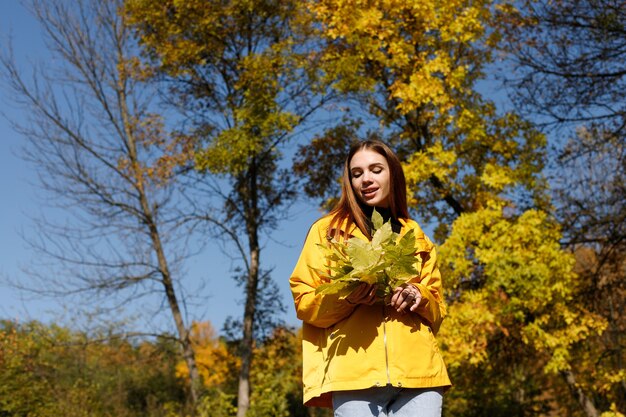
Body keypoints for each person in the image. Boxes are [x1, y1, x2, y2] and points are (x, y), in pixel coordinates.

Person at [289, 140, 451, 417]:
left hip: (420, 375)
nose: (366, 179)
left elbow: (437, 310)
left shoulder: (415, 234)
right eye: (357, 173)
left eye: (376, 169)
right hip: (353, 377)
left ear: (393, 174)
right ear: (349, 182)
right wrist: (346, 298)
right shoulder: (327, 231)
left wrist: (418, 295)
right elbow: (304, 302)